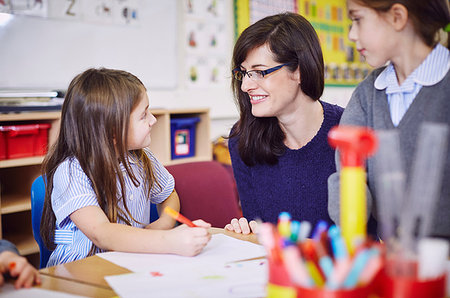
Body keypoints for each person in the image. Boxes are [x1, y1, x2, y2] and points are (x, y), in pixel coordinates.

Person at [40, 68, 211, 267]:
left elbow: (168, 194)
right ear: (112, 131)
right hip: (80, 269)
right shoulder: (71, 172)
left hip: (131, 261)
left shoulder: (142, 157)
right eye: (143, 115)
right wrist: (170, 241)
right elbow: (101, 233)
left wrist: (165, 222)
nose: (153, 120)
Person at [328, 0, 450, 240]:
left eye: (358, 19)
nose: (352, 35)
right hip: (396, 257)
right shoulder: (367, 94)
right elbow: (349, 175)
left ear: (397, 17)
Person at [224, 12, 344, 235]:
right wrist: (246, 231)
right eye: (244, 74)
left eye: (259, 72)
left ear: (298, 71)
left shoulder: (349, 132)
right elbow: (259, 232)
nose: (245, 86)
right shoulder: (243, 138)